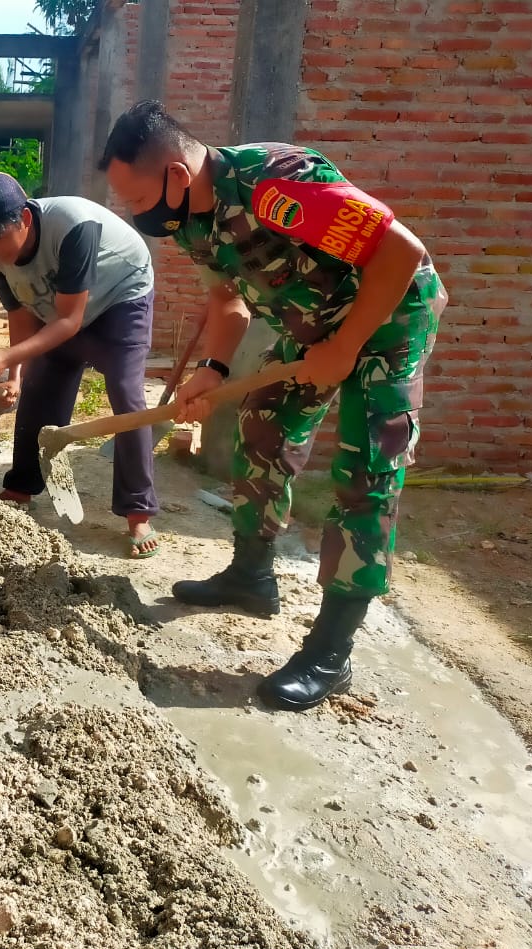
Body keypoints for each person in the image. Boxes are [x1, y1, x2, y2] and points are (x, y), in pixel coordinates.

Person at [99, 101, 446, 710]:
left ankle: (330, 654)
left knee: (366, 475)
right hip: (315, 328)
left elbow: (401, 252)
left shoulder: (277, 185)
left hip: (389, 321)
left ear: (176, 175)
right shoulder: (191, 219)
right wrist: (212, 369)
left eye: (139, 198)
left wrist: (345, 347)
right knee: (263, 426)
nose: (138, 213)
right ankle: (251, 575)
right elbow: (227, 302)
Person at [0, 172, 161, 559]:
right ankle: (21, 486)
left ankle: (138, 511)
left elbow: (70, 321)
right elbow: (21, 315)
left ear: (24, 219)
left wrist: (7, 356)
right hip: (62, 306)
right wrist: (16, 375)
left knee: (125, 392)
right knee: (39, 390)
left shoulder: (73, 226)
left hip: (121, 297)